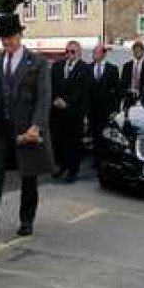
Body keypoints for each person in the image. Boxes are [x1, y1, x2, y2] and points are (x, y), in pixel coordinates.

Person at [0, 13, 53, 238]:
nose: (7, 42)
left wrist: (37, 126)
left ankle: (26, 221)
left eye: (11, 37)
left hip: (27, 129)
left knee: (28, 177)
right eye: (3, 38)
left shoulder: (38, 63)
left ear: (20, 35)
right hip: (2, 128)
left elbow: (43, 97)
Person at [50, 39, 92, 183]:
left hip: (74, 112)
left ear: (79, 53)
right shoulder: (57, 66)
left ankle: (72, 171)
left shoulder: (85, 68)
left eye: (72, 51)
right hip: (57, 112)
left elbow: (83, 91)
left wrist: (66, 102)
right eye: (67, 51)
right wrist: (55, 99)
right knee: (58, 141)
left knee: (73, 143)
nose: (69, 54)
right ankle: (61, 165)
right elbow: (51, 85)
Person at [89, 42, 120, 160]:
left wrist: (115, 110)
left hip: (107, 110)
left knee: (106, 134)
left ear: (103, 54)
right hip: (92, 110)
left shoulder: (112, 69)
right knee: (95, 135)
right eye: (94, 52)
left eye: (96, 52)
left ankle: (105, 158)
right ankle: (96, 158)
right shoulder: (88, 67)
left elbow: (117, 91)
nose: (94, 54)